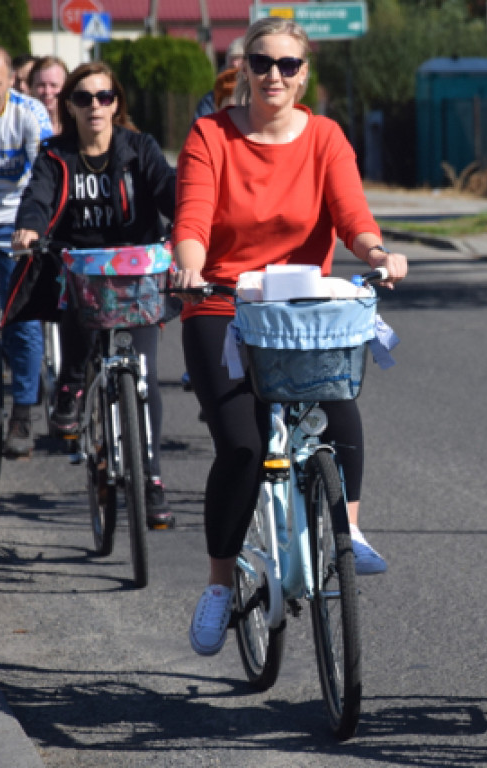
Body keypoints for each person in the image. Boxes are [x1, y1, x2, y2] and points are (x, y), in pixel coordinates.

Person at [172, 17, 408, 657]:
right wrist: (189, 264)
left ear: (305, 74)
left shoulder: (326, 137)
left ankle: (348, 533)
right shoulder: (210, 135)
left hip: (303, 309)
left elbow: (353, 215)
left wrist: (377, 251)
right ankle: (221, 584)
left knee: (339, 406)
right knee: (244, 446)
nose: (274, 74)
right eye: (262, 61)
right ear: (243, 66)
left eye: (288, 65)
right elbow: (192, 217)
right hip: (222, 304)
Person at [10, 62, 177, 528]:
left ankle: (153, 478)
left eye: (104, 97)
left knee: (143, 376)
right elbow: (39, 197)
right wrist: (30, 228)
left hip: (136, 274)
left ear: (116, 103)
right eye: (83, 98)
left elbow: (166, 187)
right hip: (79, 268)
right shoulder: (55, 154)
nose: (95, 106)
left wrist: (189, 215)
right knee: (75, 324)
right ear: (70, 106)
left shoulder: (138, 148)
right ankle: (69, 386)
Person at [0, 45, 51, 458]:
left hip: (17, 225)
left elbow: (46, 171)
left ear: (12, 81)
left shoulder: (29, 114)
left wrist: (33, 227)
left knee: (21, 321)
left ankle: (23, 415)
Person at [192, 37, 244, 122]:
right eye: (231, 58)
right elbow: (202, 125)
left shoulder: (256, 95)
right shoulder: (211, 98)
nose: (235, 63)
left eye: (239, 57)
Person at [28, 56, 68, 135]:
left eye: (54, 85)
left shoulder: (77, 125)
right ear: (31, 88)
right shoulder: (19, 125)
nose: (47, 91)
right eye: (41, 85)